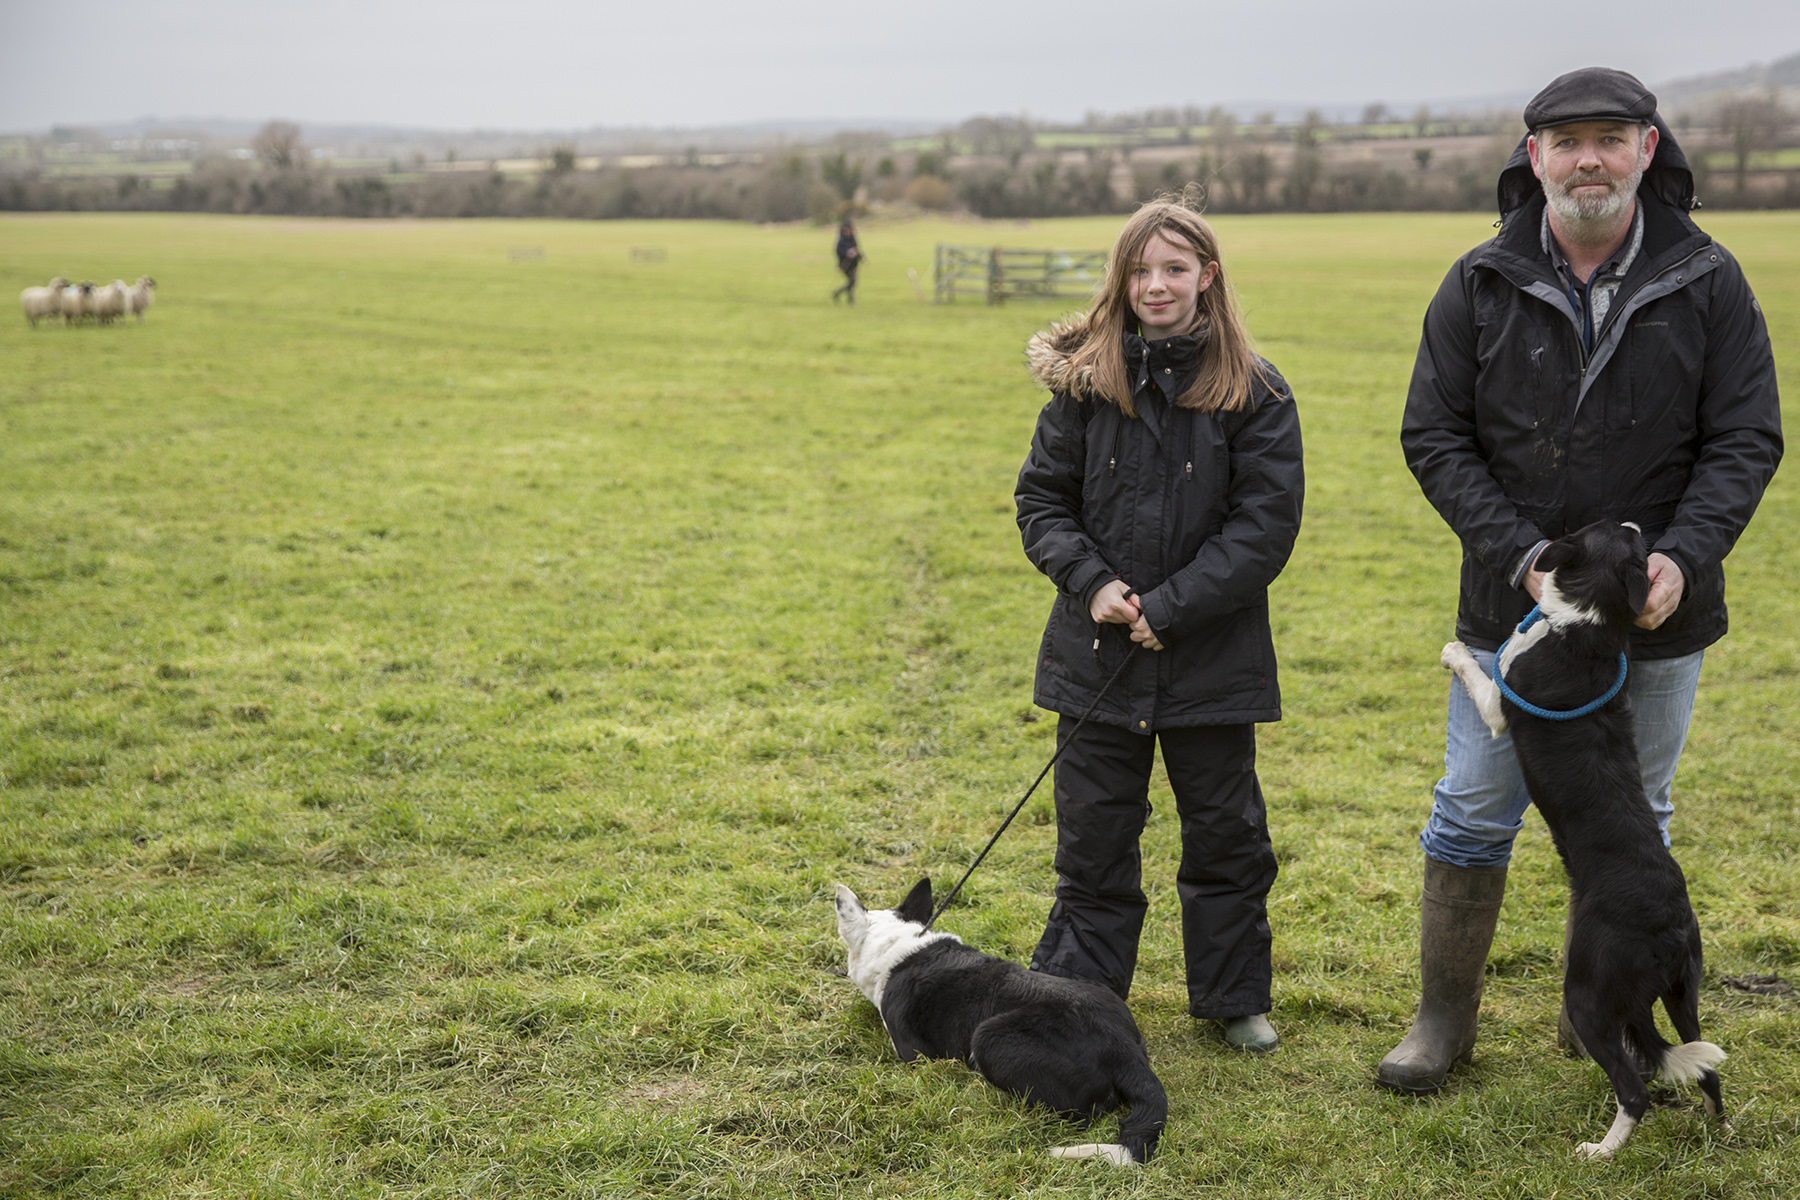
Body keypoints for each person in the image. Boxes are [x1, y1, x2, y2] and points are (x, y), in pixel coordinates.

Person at [1381, 67, 1783, 1094]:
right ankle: (1442, 1023)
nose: (1589, 158)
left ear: (1650, 150)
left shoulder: (1708, 279)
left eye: (1612, 137)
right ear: (1535, 159)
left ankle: (1597, 1012)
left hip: (1655, 619)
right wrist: (1518, 554)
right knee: (1471, 809)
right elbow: (1433, 435)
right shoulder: (1479, 279)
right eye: (1567, 141)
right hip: (1505, 611)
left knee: (1633, 814)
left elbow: (1745, 439)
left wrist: (1682, 558)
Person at [1015, 197, 1304, 1052]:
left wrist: (1169, 609)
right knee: (1095, 836)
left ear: (1208, 277)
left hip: (1213, 660)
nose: (1156, 285)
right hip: (1095, 653)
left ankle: (1232, 998)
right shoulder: (1085, 385)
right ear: (1121, 279)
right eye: (1141, 270)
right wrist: (1094, 583)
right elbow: (1041, 501)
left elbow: (1265, 526)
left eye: (1175, 268)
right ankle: (1079, 995)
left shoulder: (1255, 389)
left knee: (1226, 834)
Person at [832, 218, 862, 304]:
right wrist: (847, 253)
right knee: (852, 281)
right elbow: (838, 251)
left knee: (852, 282)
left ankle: (850, 300)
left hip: (853, 264)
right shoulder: (841, 241)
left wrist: (859, 255)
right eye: (847, 230)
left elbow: (856, 248)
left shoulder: (852, 239)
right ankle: (837, 293)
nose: (849, 232)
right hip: (845, 265)